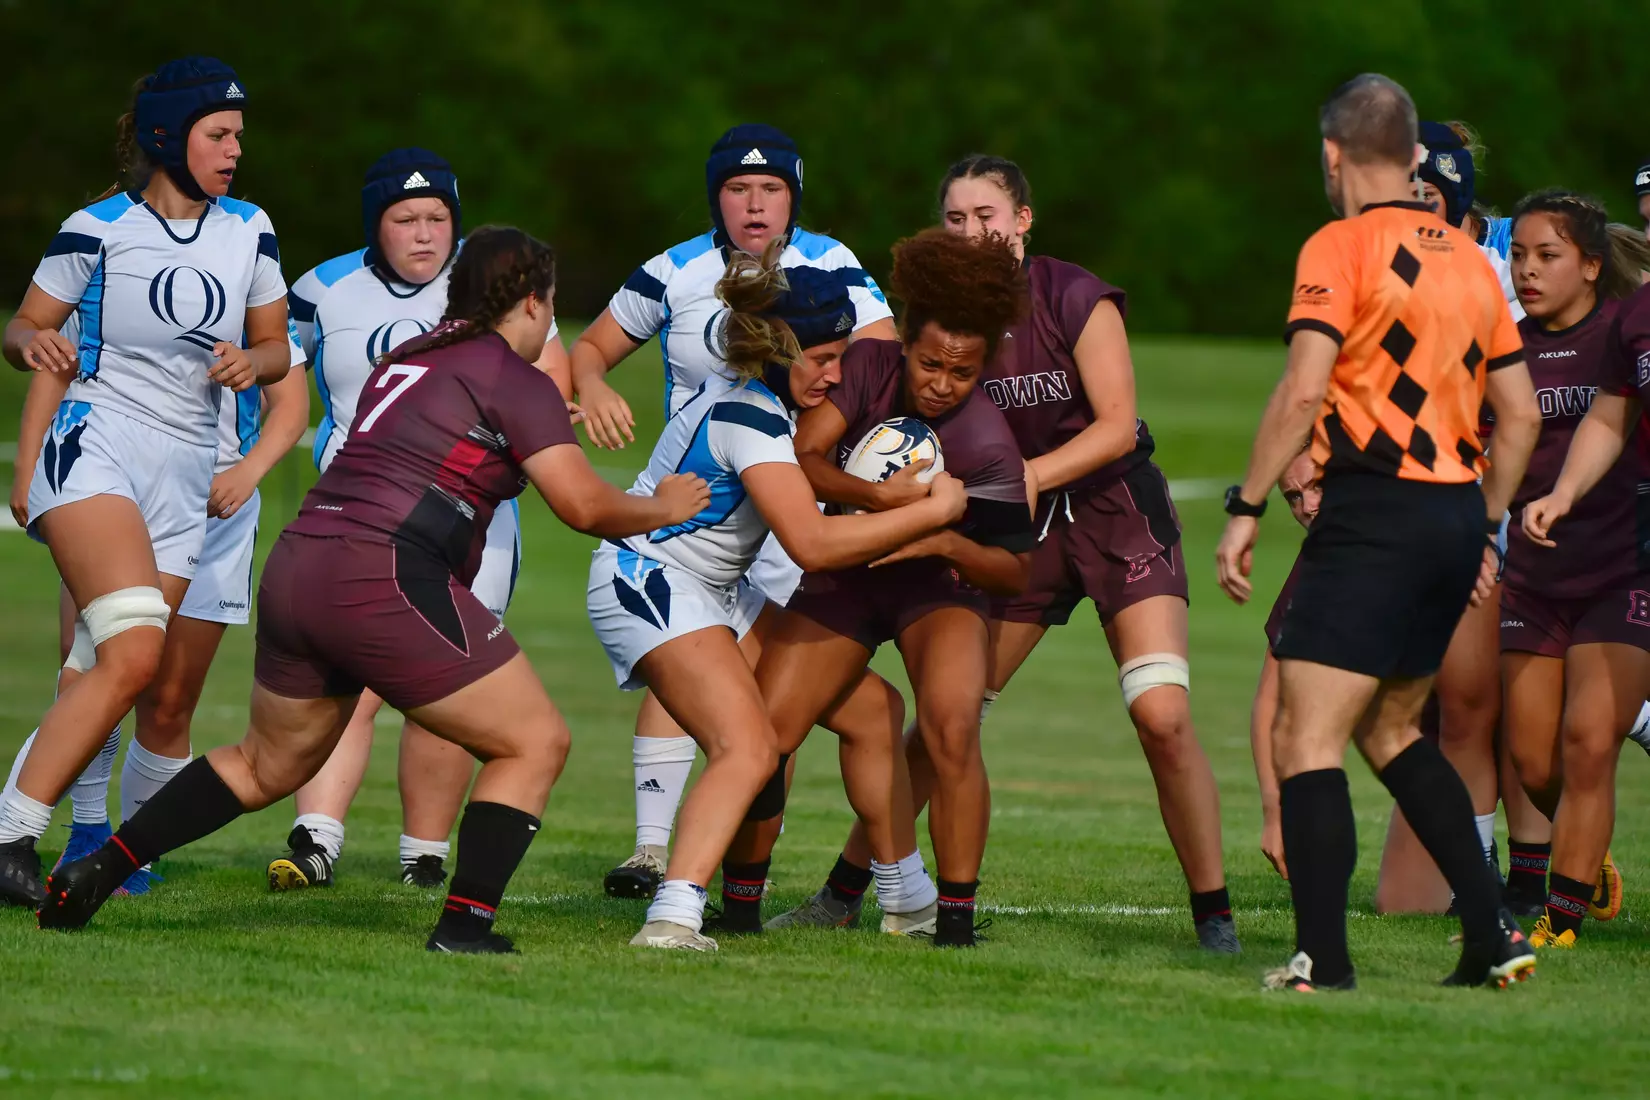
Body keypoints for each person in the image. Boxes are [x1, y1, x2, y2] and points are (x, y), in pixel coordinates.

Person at [38, 226, 711, 952]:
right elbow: (584, 508)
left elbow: (439, 446)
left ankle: (102, 868)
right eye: (548, 307)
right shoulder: (514, 379)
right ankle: (465, 925)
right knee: (534, 741)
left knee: (268, 761)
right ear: (529, 303)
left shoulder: (406, 359)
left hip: (301, 563)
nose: (549, 323)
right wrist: (664, 507)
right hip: (383, 572)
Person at [773, 155, 1239, 953]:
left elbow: (1117, 425)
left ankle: (1215, 917)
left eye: (987, 215)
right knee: (950, 719)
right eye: (954, 218)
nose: (971, 232)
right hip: (1017, 531)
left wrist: (1025, 476)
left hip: (1115, 512)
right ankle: (846, 891)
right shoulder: (936, 312)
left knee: (1161, 715)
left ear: (1023, 220)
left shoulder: (1073, 296)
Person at [1215, 73, 1542, 991]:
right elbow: (1518, 417)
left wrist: (1244, 508)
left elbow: (1304, 389)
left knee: (1305, 737)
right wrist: (1481, 524)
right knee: (1394, 731)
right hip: (1449, 512)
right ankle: (1492, 936)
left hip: (1375, 512)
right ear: (1411, 157)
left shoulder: (1339, 244)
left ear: (1333, 155)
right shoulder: (1475, 262)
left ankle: (1324, 961)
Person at [585, 244, 969, 950]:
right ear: (775, 350)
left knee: (873, 709)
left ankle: (906, 897)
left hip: (711, 588)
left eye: (842, 355)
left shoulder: (763, 404)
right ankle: (673, 916)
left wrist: (882, 502)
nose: (837, 373)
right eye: (823, 358)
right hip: (650, 578)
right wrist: (930, 512)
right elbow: (812, 547)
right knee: (749, 745)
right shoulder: (752, 419)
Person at [568, 123, 904, 898]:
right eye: (737, 189)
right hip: (701, 514)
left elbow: (880, 370)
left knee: (776, 711)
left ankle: (756, 883)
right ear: (716, 198)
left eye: (772, 189)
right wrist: (592, 382)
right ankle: (662, 865)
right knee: (701, 672)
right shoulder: (676, 271)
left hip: (791, 499)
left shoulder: (834, 266)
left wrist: (867, 483)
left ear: (794, 196)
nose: (755, 205)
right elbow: (590, 348)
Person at [0, 57, 293, 907]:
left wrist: (253, 359)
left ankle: (31, 832)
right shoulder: (95, 227)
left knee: (106, 669)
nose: (236, 149)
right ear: (169, 137)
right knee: (130, 658)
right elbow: (26, 323)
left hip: (189, 471)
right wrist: (29, 345)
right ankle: (16, 833)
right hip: (97, 447)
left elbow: (276, 347)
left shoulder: (252, 229)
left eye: (239, 135)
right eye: (219, 134)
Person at [717, 228, 1034, 948]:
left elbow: (1014, 570)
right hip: (850, 571)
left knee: (952, 726)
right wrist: (885, 502)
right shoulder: (867, 365)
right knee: (767, 733)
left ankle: (951, 923)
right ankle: (737, 911)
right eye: (928, 364)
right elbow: (805, 455)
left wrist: (944, 538)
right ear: (905, 345)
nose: (940, 383)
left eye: (961, 372)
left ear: (982, 369)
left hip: (938, 587)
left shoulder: (988, 443)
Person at [264, 149, 570, 892]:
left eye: (439, 217)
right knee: (350, 679)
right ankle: (315, 839)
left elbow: (547, 377)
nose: (426, 234)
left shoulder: (492, 286)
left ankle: (424, 855)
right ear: (376, 224)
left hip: (471, 521)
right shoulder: (323, 289)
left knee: (453, 683)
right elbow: (280, 367)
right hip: (358, 515)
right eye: (406, 219)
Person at [3, 318, 308, 895]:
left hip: (219, 504)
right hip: (114, 477)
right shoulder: (112, 256)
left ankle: (131, 857)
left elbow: (289, 403)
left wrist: (248, 471)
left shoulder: (250, 275)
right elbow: (50, 357)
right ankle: (83, 831)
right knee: (91, 671)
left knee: (168, 701)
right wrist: (28, 465)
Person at [1513, 196, 1650, 948]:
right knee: (1535, 758)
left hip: (1625, 568)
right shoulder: (1509, 345)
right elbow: (1605, 418)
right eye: (1521, 255)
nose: (1529, 270)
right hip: (1536, 574)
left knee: (1590, 737)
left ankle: (1560, 919)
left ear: (1592, 266)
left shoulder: (1620, 323)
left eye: (1549, 255)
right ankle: (1586, 860)